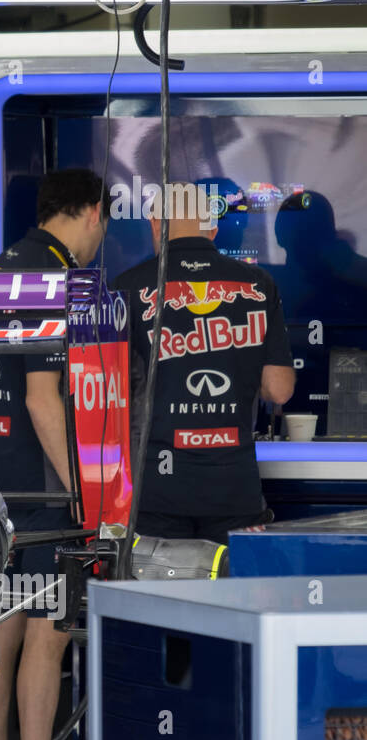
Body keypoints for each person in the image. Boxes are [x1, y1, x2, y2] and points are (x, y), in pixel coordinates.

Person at [0, 168, 109, 740]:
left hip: (2, 482)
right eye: (102, 224)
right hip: (49, 492)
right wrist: (85, 491)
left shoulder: (1, 265)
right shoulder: (50, 277)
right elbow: (41, 397)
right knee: (48, 636)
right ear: (91, 212)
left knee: (4, 628)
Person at [113, 182, 295, 543]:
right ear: (212, 228)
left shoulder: (127, 287)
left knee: (161, 598)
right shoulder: (258, 284)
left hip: (157, 487)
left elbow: (109, 392)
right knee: (230, 598)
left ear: (155, 223)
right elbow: (279, 389)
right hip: (233, 485)